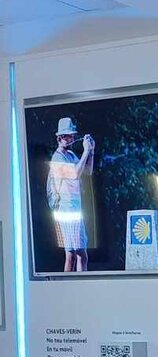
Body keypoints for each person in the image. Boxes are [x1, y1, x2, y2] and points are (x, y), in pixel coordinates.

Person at [46, 117, 94, 272]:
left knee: (75, 255)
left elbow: (87, 171)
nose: (71, 139)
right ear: (60, 138)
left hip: (74, 210)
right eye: (68, 136)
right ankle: (74, 283)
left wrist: (91, 152)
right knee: (77, 255)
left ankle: (75, 283)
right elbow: (74, 174)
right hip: (66, 210)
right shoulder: (57, 158)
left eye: (72, 136)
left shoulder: (71, 155)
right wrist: (85, 151)